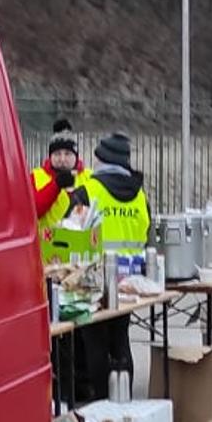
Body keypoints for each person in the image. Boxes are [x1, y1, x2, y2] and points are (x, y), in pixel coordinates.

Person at [69, 133, 149, 402]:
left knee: (94, 343)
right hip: (130, 279)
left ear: (101, 159)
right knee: (120, 338)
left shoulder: (87, 192)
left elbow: (70, 235)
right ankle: (124, 400)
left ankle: (103, 401)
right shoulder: (139, 195)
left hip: (93, 279)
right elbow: (147, 234)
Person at [32, 119, 88, 251]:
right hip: (45, 250)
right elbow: (33, 211)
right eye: (57, 154)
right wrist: (55, 185)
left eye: (67, 154)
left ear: (76, 156)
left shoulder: (88, 177)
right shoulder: (36, 176)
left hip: (80, 250)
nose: (62, 159)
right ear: (50, 156)